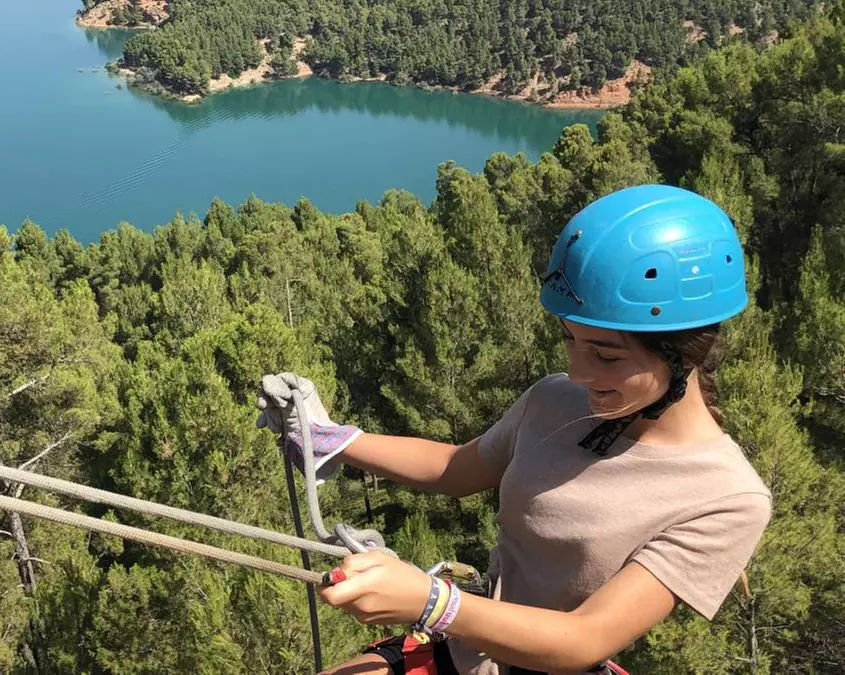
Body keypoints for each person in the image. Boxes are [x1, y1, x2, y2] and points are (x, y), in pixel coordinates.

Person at [255, 184, 773, 675]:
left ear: (685, 354)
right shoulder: (555, 399)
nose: (578, 371)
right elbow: (456, 467)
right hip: (464, 649)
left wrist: (430, 602)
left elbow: (585, 639)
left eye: (606, 354)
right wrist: (336, 441)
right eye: (570, 339)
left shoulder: (726, 497)